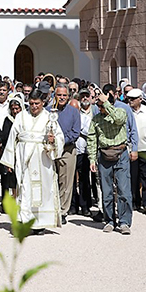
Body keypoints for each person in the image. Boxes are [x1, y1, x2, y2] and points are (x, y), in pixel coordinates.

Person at [0, 89, 64, 231]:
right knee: (25, 189)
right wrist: (9, 161)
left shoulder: (49, 117)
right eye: (31, 103)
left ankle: (40, 223)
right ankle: (25, 220)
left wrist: (52, 141)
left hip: (43, 160)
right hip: (24, 159)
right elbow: (12, 137)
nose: (34, 106)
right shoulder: (21, 116)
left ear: (43, 103)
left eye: (37, 103)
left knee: (44, 190)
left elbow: (60, 138)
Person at [87, 92, 137, 235]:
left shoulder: (120, 112)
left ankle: (124, 222)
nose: (100, 108)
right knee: (106, 191)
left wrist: (106, 103)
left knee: (123, 189)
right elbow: (92, 139)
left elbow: (119, 120)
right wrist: (92, 158)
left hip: (121, 154)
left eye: (102, 105)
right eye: (99, 105)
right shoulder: (96, 119)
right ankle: (109, 220)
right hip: (104, 155)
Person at [50, 83, 80, 225]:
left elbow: (75, 132)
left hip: (67, 150)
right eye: (59, 95)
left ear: (68, 97)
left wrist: (60, 141)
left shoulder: (74, 111)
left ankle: (62, 211)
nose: (61, 97)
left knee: (66, 182)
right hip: (50, 151)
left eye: (64, 95)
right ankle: (51, 209)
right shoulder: (48, 111)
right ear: (54, 95)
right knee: (51, 180)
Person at [71, 89, 96, 217]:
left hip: (90, 151)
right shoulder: (75, 112)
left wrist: (83, 131)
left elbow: (88, 130)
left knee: (86, 180)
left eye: (87, 96)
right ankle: (73, 205)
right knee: (73, 179)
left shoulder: (95, 112)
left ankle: (86, 206)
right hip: (77, 149)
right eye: (83, 96)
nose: (85, 98)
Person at [0, 94, 24, 200]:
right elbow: (4, 136)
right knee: (11, 178)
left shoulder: (25, 119)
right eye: (13, 109)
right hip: (11, 151)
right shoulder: (8, 120)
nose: (15, 111)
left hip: (22, 150)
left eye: (17, 108)